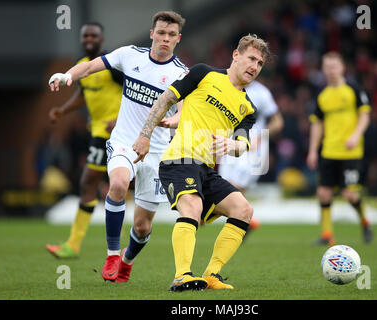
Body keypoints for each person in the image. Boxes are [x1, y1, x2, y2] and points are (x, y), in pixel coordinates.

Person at [48, 11, 187, 283]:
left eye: (171, 35)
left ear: (178, 39)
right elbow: (88, 67)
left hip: (157, 152)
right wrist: (67, 75)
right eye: (161, 33)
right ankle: (112, 254)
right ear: (152, 34)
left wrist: (174, 121)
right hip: (123, 142)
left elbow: (183, 111)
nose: (165, 39)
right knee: (119, 184)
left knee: (143, 226)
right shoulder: (130, 55)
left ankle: (126, 260)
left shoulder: (181, 73)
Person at [132, 34, 272, 291]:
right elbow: (166, 99)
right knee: (192, 207)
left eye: (260, 63)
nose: (254, 66)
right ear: (236, 55)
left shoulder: (248, 108)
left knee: (243, 210)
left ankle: (211, 275)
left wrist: (234, 145)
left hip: (206, 169)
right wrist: (144, 135)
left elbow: (243, 144)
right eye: (251, 58)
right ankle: (181, 276)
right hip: (179, 159)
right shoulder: (203, 74)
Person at [46, 22, 123, 259]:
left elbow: (132, 91)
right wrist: (63, 110)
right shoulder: (81, 67)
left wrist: (120, 119)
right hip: (99, 133)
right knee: (89, 181)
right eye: (85, 35)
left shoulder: (111, 64)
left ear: (102, 38)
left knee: (108, 182)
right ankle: (74, 244)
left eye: (94, 35)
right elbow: (83, 92)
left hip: (121, 132)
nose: (89, 38)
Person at [306, 51, 373, 246]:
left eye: (334, 66)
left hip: (351, 151)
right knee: (323, 193)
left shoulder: (353, 88)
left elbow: (365, 115)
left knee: (350, 194)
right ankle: (327, 235)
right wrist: (312, 150)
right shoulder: (322, 95)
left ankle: (365, 222)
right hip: (329, 150)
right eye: (327, 67)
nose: (330, 71)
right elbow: (317, 124)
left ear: (342, 68)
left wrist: (355, 135)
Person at [217, 80, 283, 238]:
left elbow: (278, 122)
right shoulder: (225, 84)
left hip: (252, 148)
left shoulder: (262, 93)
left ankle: (241, 221)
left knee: (233, 188)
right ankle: (245, 221)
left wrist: (260, 137)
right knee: (223, 187)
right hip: (230, 143)